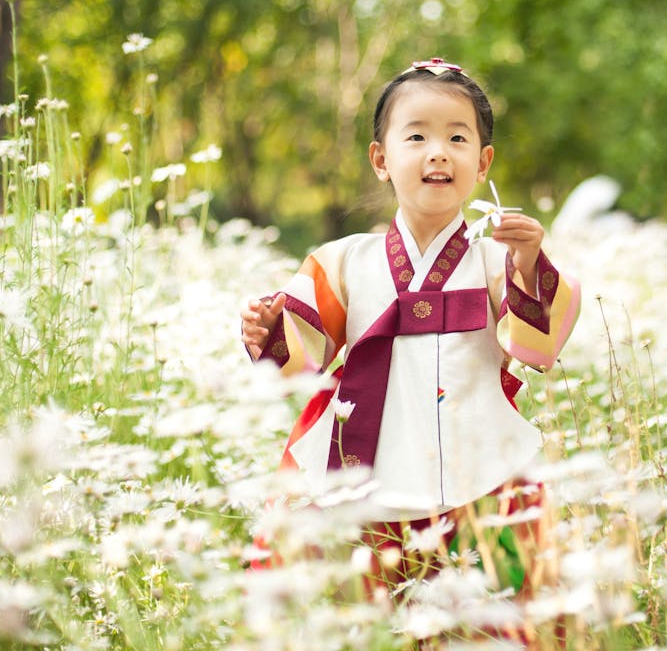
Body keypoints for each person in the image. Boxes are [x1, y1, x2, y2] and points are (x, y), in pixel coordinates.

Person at [241, 58, 580, 609]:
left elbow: (538, 347)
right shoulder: (342, 261)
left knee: (487, 621)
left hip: (480, 476)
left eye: (457, 138)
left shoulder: (497, 261)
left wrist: (529, 261)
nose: (438, 152)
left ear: (483, 162)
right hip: (366, 473)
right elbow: (298, 361)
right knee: (363, 618)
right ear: (381, 159)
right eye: (417, 136)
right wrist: (265, 329)